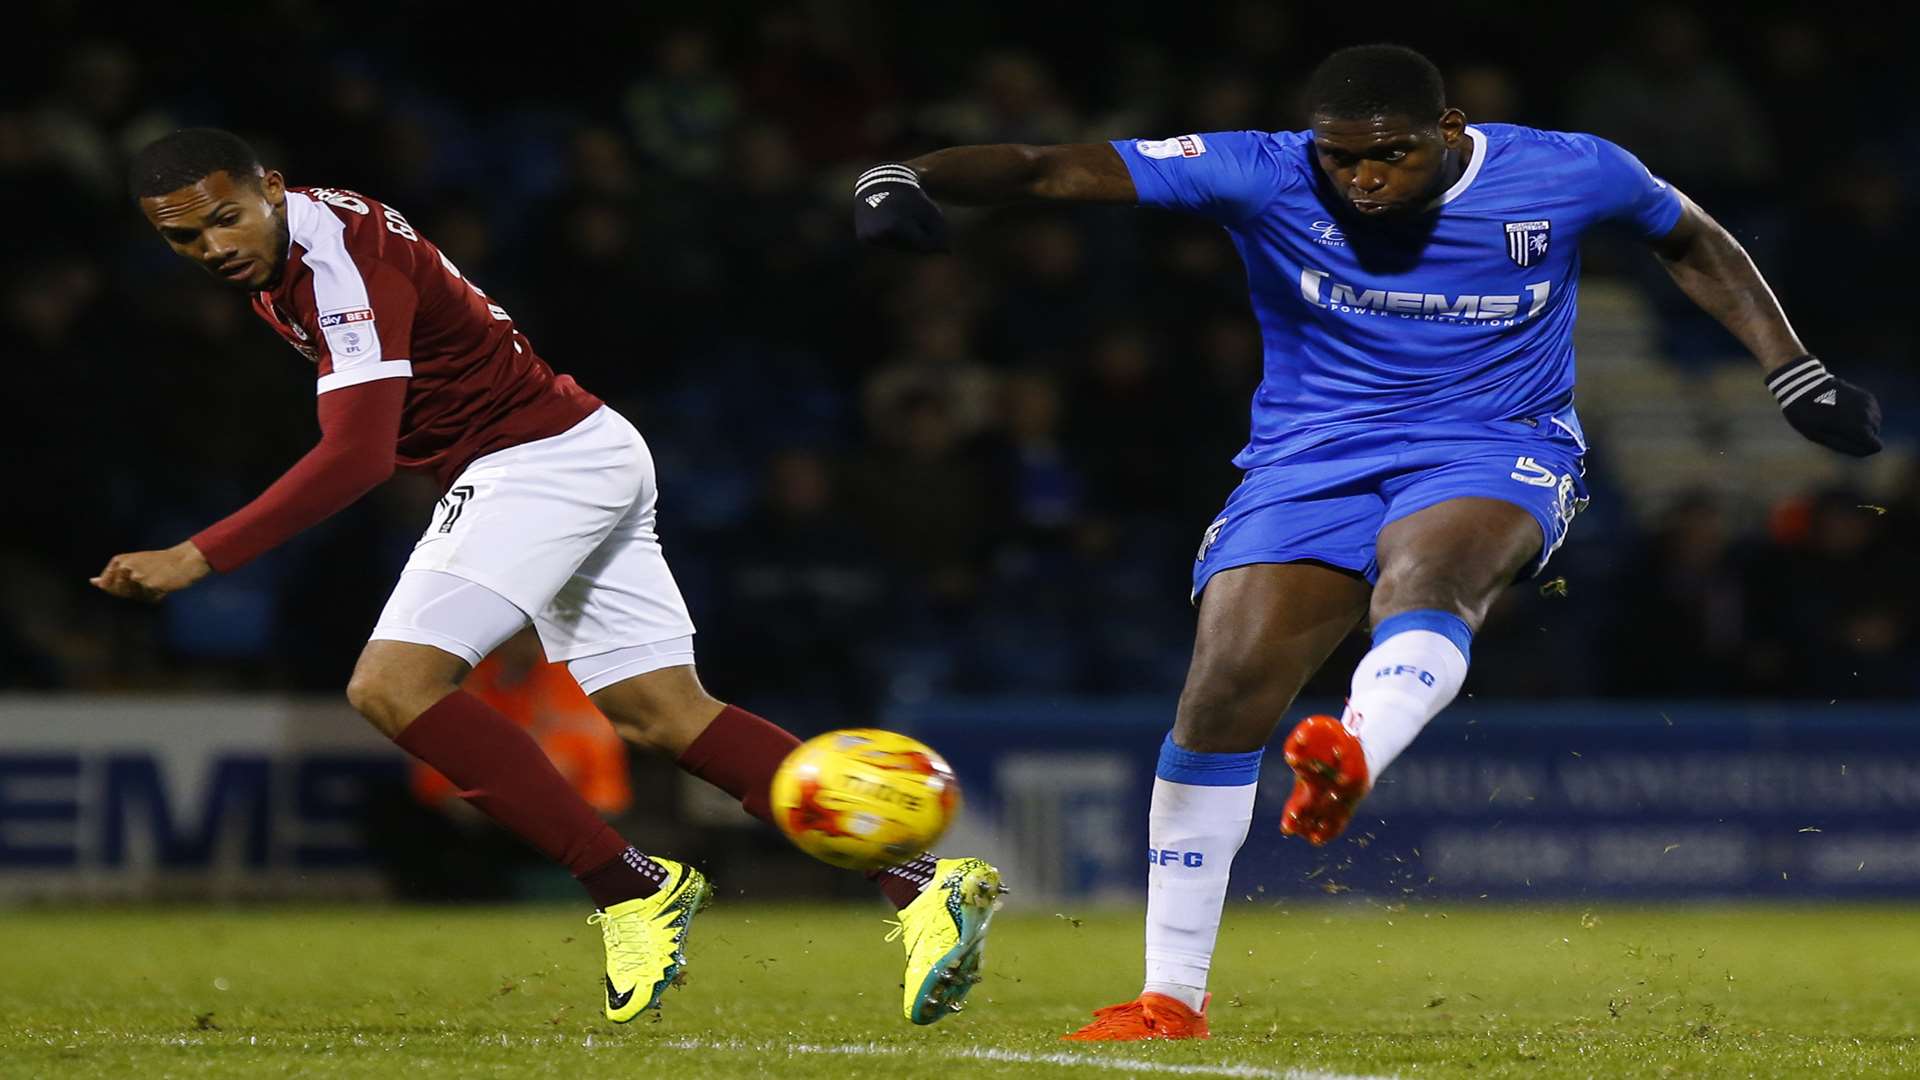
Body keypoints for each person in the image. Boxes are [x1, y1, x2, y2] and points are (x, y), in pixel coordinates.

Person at [853, 44, 1881, 1041]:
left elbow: (1695, 237)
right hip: (1309, 460)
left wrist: (1792, 369)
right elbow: (1047, 169)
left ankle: (1354, 748)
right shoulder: (1263, 169)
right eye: (1342, 157)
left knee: (1429, 573)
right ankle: (1168, 1000)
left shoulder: (1568, 168)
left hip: (1494, 441)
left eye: (1391, 154)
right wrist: (907, 173)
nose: (1364, 177)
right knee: (1221, 692)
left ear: (1450, 130)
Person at [96, 128, 1000, 1026]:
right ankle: (921, 882)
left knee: (392, 686)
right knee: (665, 714)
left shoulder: (337, 265)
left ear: (272, 188)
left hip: (534, 463)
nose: (213, 247)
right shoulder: (299, 243)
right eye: (184, 238)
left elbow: (359, 457)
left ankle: (627, 887)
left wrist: (198, 555)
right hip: (582, 446)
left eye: (225, 218)